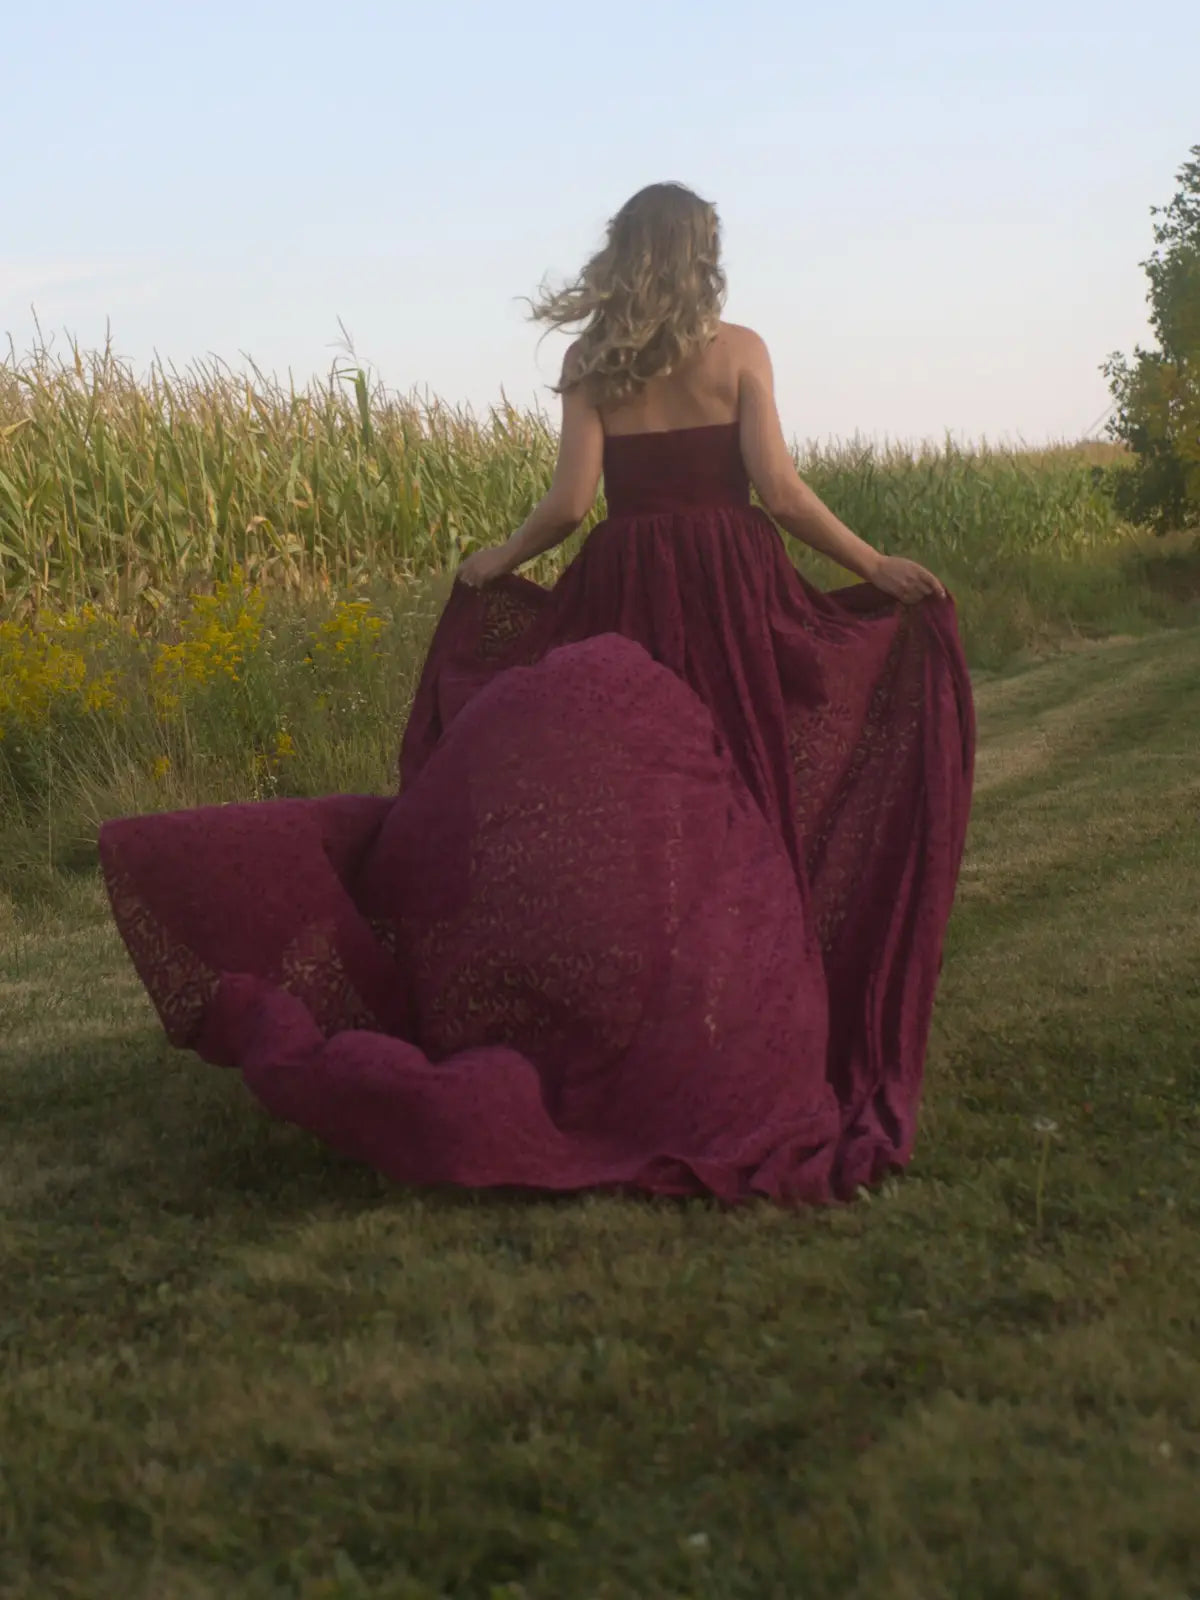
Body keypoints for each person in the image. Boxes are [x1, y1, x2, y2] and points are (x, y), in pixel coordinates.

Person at [98, 181, 975, 1204]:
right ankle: (750, 1027)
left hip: (628, 587)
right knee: (741, 789)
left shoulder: (591, 362)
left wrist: (494, 560)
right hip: (729, 587)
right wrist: (873, 566)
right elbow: (776, 493)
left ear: (621, 255)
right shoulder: (741, 349)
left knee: (622, 819)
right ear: (703, 255)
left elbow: (567, 506)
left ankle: (629, 1029)